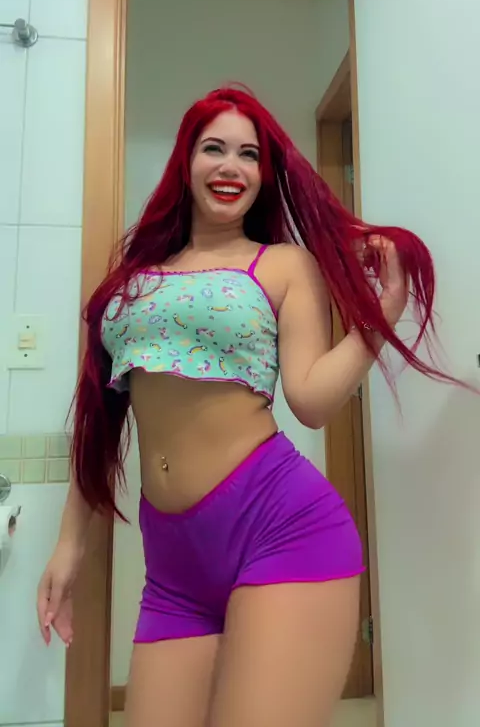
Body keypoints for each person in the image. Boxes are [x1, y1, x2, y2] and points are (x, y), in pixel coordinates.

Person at [37, 86, 458, 727]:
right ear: (186, 161)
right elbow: (101, 426)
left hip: (281, 531)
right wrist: (69, 548)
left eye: (249, 155)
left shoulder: (282, 265)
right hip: (173, 567)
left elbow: (311, 401)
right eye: (215, 149)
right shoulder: (133, 278)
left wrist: (382, 316)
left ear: (264, 176)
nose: (231, 166)